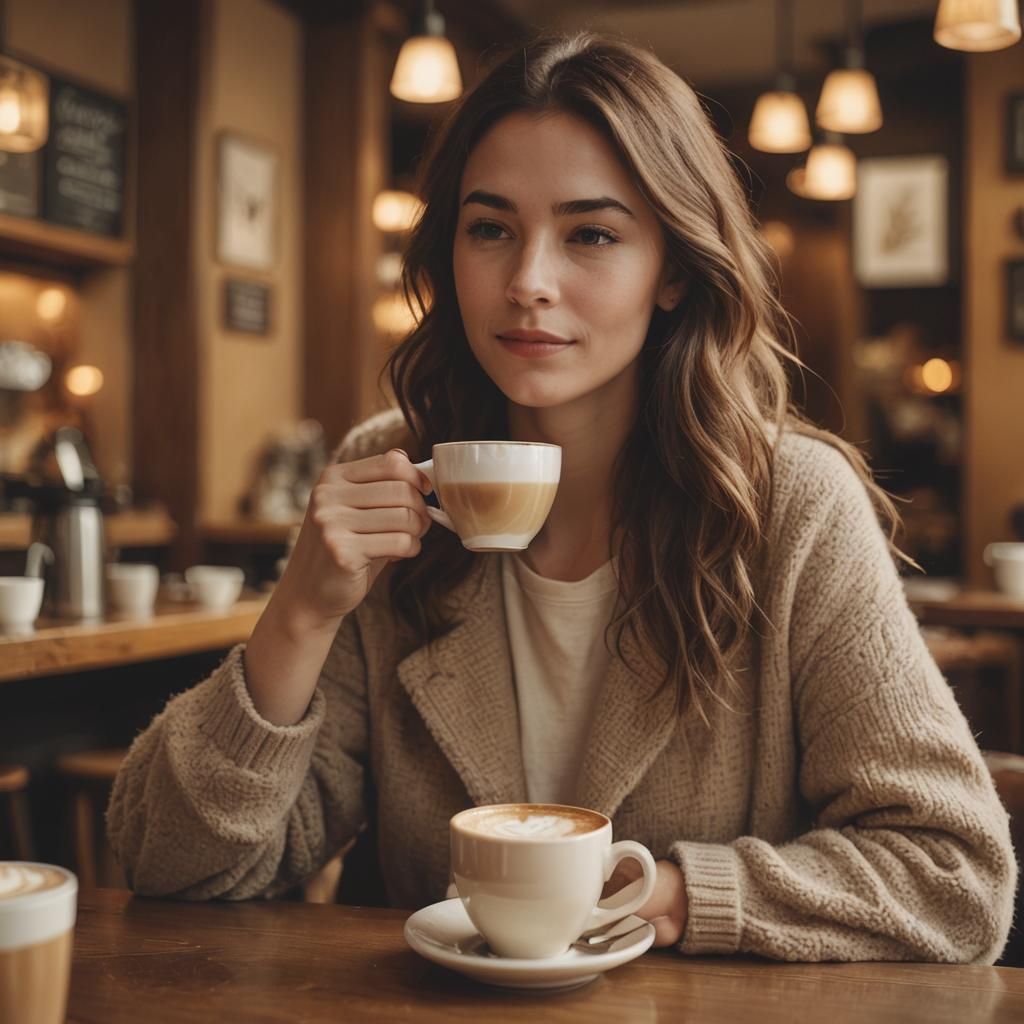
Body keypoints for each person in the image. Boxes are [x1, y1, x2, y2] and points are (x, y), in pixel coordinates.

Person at [107, 32, 1015, 963]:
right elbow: (171, 865)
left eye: (591, 234)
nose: (528, 283)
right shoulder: (390, 477)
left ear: (672, 269)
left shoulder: (789, 507)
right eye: (490, 228)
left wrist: (675, 898)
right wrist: (297, 614)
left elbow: (954, 876)